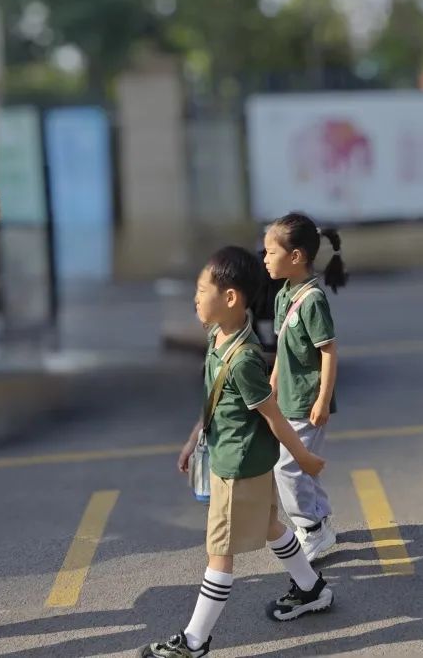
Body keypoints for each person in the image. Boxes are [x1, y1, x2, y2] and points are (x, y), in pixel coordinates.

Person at [140, 246, 333, 658]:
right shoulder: (218, 336)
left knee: (220, 554)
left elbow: (273, 415)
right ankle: (311, 588)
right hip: (240, 459)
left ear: (230, 298)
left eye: (201, 289)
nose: (195, 298)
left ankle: (194, 642)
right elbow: (214, 396)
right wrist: (195, 437)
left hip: (238, 467)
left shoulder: (244, 358)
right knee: (270, 525)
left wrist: (303, 458)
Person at [263, 213, 347, 561]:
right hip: (289, 398)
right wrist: (273, 386)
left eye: (270, 252)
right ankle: (321, 519)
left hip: (308, 400)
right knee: (300, 463)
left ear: (295, 256)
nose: (265, 258)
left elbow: (328, 351)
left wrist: (323, 400)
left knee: (287, 466)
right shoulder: (285, 294)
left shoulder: (312, 300)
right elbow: (283, 347)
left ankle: (311, 529)